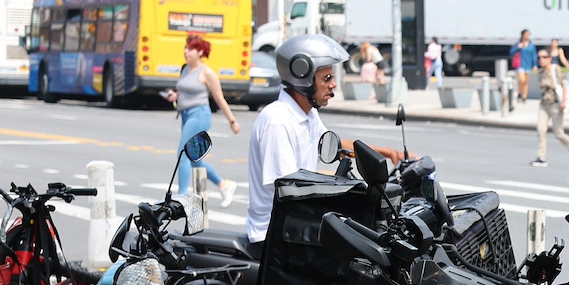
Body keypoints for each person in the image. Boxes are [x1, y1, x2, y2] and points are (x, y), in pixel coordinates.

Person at [245, 34, 403, 244]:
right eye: (327, 78)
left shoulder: (308, 115)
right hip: (274, 237)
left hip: (296, 224)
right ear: (303, 79)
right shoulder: (278, 121)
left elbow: (334, 145)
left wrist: (387, 153)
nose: (334, 85)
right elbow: (289, 188)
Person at [165, 34, 240, 207]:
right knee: (194, 159)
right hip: (185, 115)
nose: (186, 52)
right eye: (185, 48)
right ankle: (224, 185)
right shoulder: (185, 69)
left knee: (183, 152)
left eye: (190, 49)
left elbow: (220, 99)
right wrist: (175, 96)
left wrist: (232, 121)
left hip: (199, 115)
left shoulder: (207, 73)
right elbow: (185, 91)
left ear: (200, 52)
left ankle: (182, 195)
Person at [532, 47, 569, 168]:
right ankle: (542, 157)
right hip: (544, 104)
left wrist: (564, 101)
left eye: (544, 57)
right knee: (540, 129)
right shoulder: (540, 72)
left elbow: (564, 84)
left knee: (558, 133)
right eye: (539, 58)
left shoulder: (555, 69)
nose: (541, 60)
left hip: (556, 104)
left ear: (549, 58)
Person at [510, 29, 533, 105]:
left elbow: (534, 55)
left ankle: (524, 97)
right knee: (522, 80)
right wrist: (518, 48)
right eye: (526, 34)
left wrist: (535, 64)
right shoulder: (518, 43)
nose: (527, 36)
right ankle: (519, 92)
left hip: (528, 65)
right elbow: (511, 53)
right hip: (520, 64)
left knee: (526, 82)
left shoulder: (531, 45)